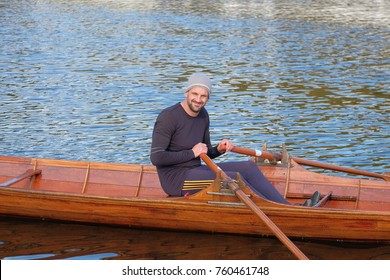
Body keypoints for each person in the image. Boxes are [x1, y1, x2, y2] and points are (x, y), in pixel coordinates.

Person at [150, 73, 319, 206]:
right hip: (176, 180)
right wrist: (192, 152)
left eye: (204, 96)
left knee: (248, 166)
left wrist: (219, 149)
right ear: (186, 92)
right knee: (234, 177)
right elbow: (156, 158)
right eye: (194, 93)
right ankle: (276, 209)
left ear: (208, 98)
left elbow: (206, 152)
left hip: (196, 170)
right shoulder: (168, 117)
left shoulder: (203, 115)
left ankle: (285, 206)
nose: (198, 99)